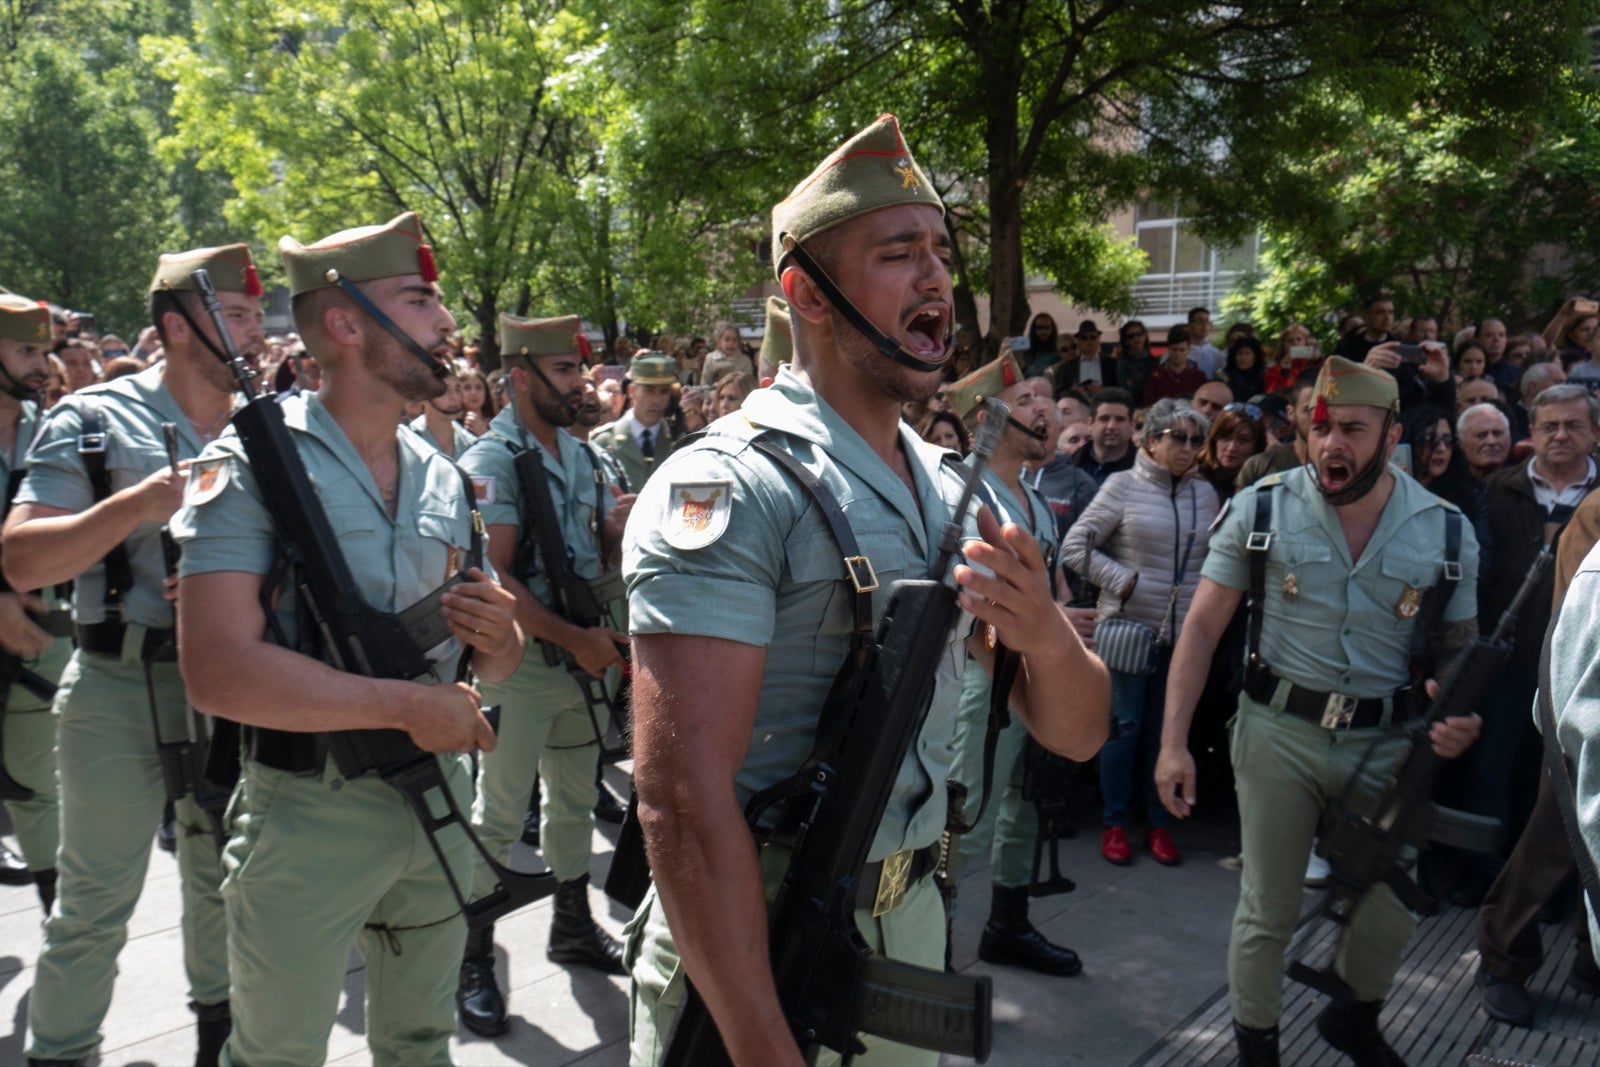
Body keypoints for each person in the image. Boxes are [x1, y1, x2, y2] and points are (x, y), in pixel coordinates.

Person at [622, 113, 1108, 1067]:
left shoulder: (952, 485)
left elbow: (1079, 731)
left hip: (908, 935)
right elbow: (678, 799)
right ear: (805, 293)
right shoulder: (728, 485)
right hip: (754, 952)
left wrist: (1046, 634)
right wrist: (762, 1045)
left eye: (940, 250)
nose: (936, 277)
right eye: (898, 253)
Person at [172, 212, 522, 1066]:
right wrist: (406, 705)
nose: (445, 322)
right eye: (420, 297)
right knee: (279, 1053)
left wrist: (503, 640)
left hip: (437, 800)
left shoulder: (443, 471)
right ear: (345, 321)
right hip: (308, 817)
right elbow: (215, 670)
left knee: (419, 1045)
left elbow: (481, 664)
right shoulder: (250, 463)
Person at [1153, 356, 1483, 1065]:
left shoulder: (1447, 531)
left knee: (1391, 905)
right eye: (1321, 425)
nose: (1332, 443)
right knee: (1268, 909)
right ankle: (1258, 1047)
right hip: (1279, 731)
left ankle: (1353, 1019)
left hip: (1389, 738)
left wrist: (1457, 709)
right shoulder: (1263, 506)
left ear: (1392, 433)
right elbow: (1203, 627)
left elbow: (1459, 648)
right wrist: (1172, 742)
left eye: (1353, 429)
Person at [6, 245, 266, 1067]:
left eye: (259, 314)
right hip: (120, 681)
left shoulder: (273, 424)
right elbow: (22, 560)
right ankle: (61, 1050)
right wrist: (144, 502)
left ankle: (217, 1043)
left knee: (223, 883)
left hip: (231, 682)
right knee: (92, 900)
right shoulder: (92, 417)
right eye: (240, 313)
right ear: (176, 327)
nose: (258, 331)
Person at [452, 313, 636, 1036]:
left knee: (569, 804)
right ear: (521, 374)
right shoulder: (496, 459)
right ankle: (472, 956)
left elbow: (596, 555)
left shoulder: (585, 457)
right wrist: (573, 639)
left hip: (581, 664)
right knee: (497, 816)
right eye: (565, 371)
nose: (580, 384)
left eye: (581, 370)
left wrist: (617, 536)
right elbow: (492, 573)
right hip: (522, 666)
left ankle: (571, 923)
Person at [943, 353, 1084, 976]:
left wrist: (1065, 627)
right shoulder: (957, 489)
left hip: (1029, 678)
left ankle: (1007, 922)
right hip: (981, 680)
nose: (1044, 410)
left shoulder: (1030, 494)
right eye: (1025, 400)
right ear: (985, 416)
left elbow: (1052, 592)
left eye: (1044, 400)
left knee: (1027, 802)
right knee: (964, 816)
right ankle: (930, 944)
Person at [1453, 386, 1599, 908]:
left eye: (1573, 425)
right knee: (1492, 771)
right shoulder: (1495, 490)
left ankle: (1555, 893)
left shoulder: (1598, 496)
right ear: (1531, 434)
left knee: (1561, 786)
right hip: (1507, 661)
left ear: (1594, 433)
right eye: (1549, 426)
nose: (1561, 435)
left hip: (1579, 670)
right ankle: (1484, 879)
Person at [1063, 398, 1218, 868]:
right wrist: (1124, 581)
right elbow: (1075, 546)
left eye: (1196, 440)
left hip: (1183, 637)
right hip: (1128, 631)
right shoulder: (1122, 486)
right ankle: (1113, 822)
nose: (1188, 448)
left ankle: (1159, 822)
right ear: (1151, 440)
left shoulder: (1205, 494)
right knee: (1123, 732)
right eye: (1179, 438)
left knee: (1166, 734)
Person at [1475, 483, 1600, 1025]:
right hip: (1583, 713)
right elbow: (1574, 624)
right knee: (1554, 839)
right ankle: (1502, 957)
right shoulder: (1596, 512)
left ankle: (1591, 962)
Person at [0, 294, 72, 911]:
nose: (41, 366)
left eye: (44, 351)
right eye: (25, 350)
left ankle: (55, 910)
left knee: (35, 784)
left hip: (41, 641)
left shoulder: (55, 429)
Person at [589, 352, 679, 491]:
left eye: (664, 391)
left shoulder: (678, 442)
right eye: (649, 390)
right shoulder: (604, 441)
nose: (657, 400)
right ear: (632, 391)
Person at [1236, 369, 1320, 489]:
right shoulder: (1258, 466)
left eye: (1329, 409)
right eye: (1309, 409)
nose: (1319, 416)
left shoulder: (1349, 462)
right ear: (1291, 413)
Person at [1198, 402, 1265, 502]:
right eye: (1225, 438)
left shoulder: (1263, 482)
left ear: (1257, 446)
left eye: (1243, 440)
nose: (1231, 448)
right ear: (1214, 439)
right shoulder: (1193, 474)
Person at [408, 367, 475, 458]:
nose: (454, 396)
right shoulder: (409, 438)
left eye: (458, 389)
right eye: (444, 389)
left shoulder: (470, 444)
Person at [1074, 387, 1136, 486]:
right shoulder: (1069, 467)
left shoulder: (1147, 473)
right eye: (1104, 419)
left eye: (1120, 419)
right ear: (1090, 424)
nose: (1112, 426)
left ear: (1132, 425)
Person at [1142, 327, 1207, 406]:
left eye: (1182, 350)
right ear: (1168, 349)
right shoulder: (1156, 377)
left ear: (1188, 350)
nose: (1178, 353)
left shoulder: (1199, 377)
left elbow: (1204, 405)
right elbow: (1148, 405)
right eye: (1174, 349)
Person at [1459, 401, 1511, 480]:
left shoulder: (1525, 481)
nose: (1491, 441)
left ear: (1509, 439)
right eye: (1481, 435)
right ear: (1460, 443)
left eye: (1497, 433)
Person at [1262, 322, 1319, 394]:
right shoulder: (1274, 370)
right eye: (1289, 341)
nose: (1295, 343)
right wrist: (1285, 369)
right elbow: (1273, 394)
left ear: (1305, 343)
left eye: (1299, 339)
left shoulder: (1314, 364)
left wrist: (1318, 361)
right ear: (1283, 346)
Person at [699, 321, 755, 388]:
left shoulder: (745, 361)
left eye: (734, 340)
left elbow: (748, 385)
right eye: (727, 339)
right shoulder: (710, 358)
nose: (731, 343)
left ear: (739, 342)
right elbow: (705, 383)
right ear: (719, 342)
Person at [1116, 320, 1157, 407]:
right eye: (1131, 336)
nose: (1136, 338)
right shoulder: (1123, 363)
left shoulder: (1155, 362)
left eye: (1139, 334)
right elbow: (1126, 392)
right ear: (1125, 340)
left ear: (1145, 335)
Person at [1219, 336, 1266, 401]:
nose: (1243, 358)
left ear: (1255, 357)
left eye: (1247, 353)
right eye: (1240, 353)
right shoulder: (1224, 376)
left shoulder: (1263, 376)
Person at [1187, 307, 1224, 379]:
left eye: (1207, 321)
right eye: (1199, 321)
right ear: (1189, 325)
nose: (1204, 325)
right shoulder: (1178, 352)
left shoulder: (1217, 355)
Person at [1020, 312, 1060, 379]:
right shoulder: (1026, 350)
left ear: (1052, 329)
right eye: (1039, 328)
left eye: (1047, 328)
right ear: (1034, 330)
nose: (1043, 331)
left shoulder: (1058, 351)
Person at [459, 364, 495, 435]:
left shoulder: (496, 421)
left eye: (479, 387)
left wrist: (484, 433)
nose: (473, 393)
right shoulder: (454, 424)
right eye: (467, 388)